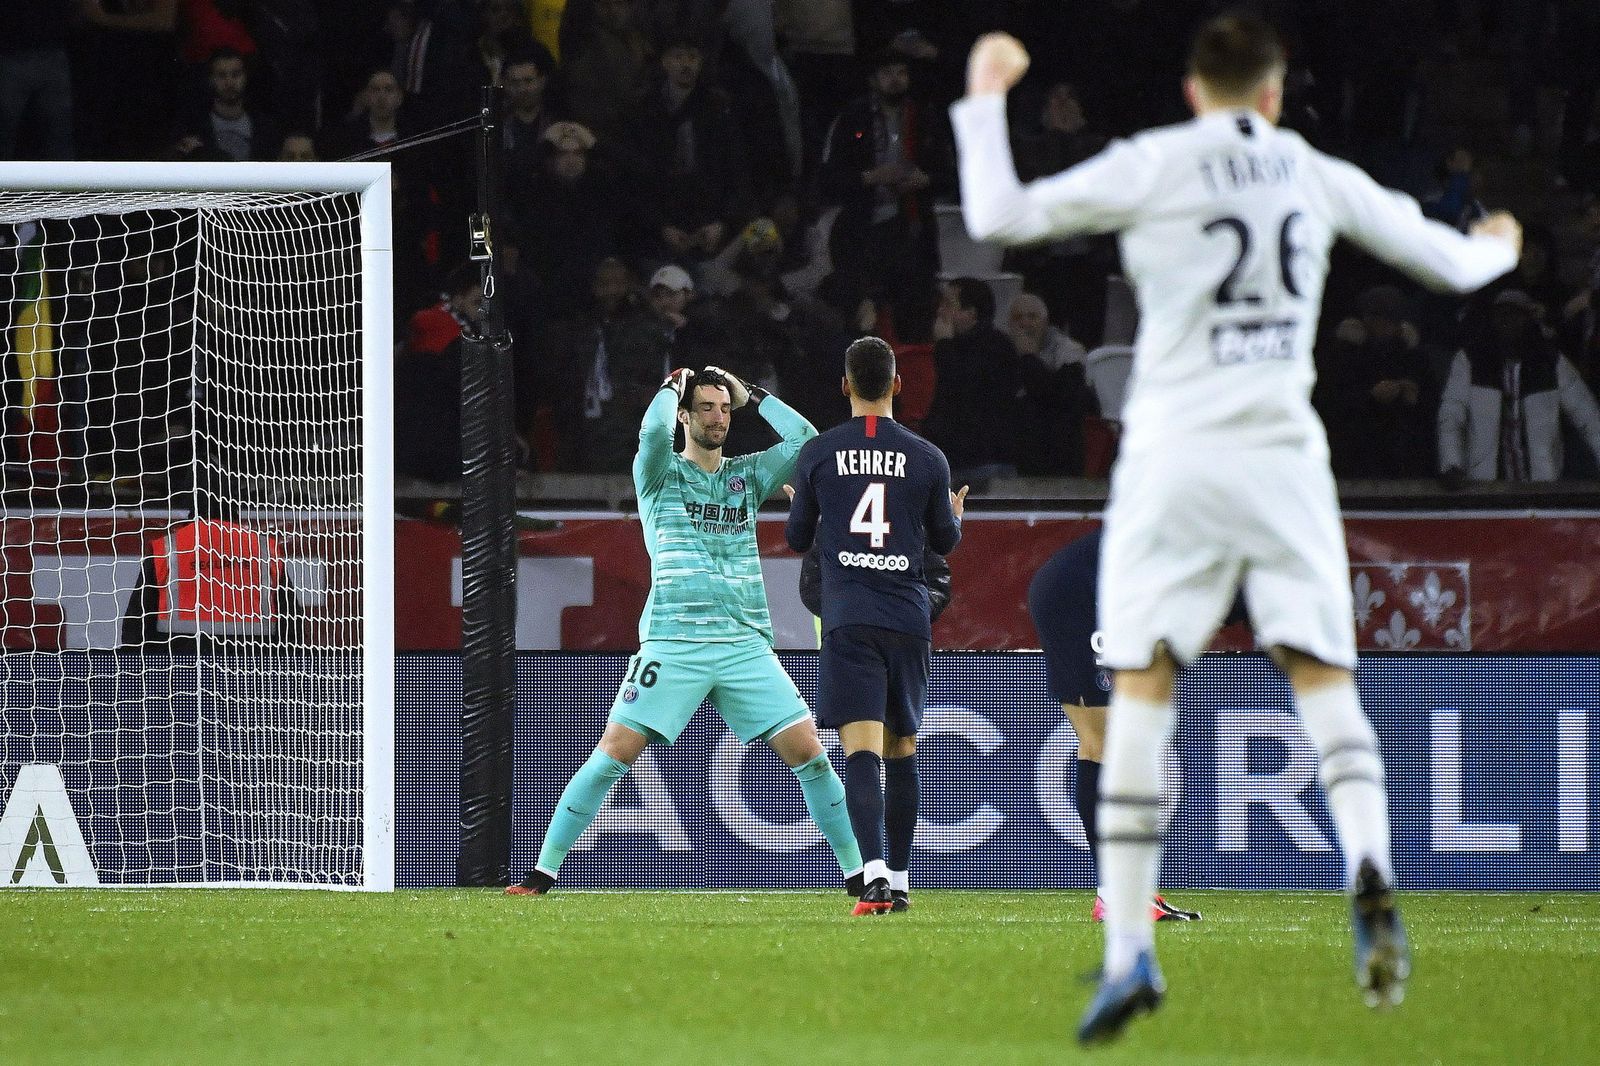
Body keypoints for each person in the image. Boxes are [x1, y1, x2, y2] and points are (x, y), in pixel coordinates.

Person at [953, 12, 1521, 1043]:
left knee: (1140, 697)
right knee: (1322, 679)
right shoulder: (1308, 167)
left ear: (1192, 93)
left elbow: (995, 212)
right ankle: (1372, 876)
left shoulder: (1157, 161)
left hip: (1170, 458)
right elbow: (1448, 265)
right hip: (1280, 457)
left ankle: (1129, 950)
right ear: (1272, 93)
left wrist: (987, 93)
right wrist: (1496, 245)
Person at [507, 367, 866, 896]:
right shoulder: (659, 474)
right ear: (684, 415)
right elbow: (651, 434)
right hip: (674, 641)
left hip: (743, 642)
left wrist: (757, 397)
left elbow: (806, 441)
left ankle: (860, 875)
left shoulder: (747, 476)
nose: (718, 418)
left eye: (724, 409)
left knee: (809, 751)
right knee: (615, 752)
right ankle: (542, 873)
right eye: (705, 408)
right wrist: (669, 386)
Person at [783, 336, 964, 915]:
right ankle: (905, 879)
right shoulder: (928, 456)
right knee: (903, 747)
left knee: (859, 751)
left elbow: (794, 539)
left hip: (849, 615)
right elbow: (944, 542)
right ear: (897, 385)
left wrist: (806, 507)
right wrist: (956, 518)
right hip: (907, 617)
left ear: (844, 386)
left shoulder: (818, 453)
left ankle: (875, 876)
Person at [1026, 526, 1204, 925]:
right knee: (1103, 743)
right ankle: (1117, 896)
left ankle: (1129, 891)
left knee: (1120, 743)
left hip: (1098, 596)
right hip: (1078, 595)